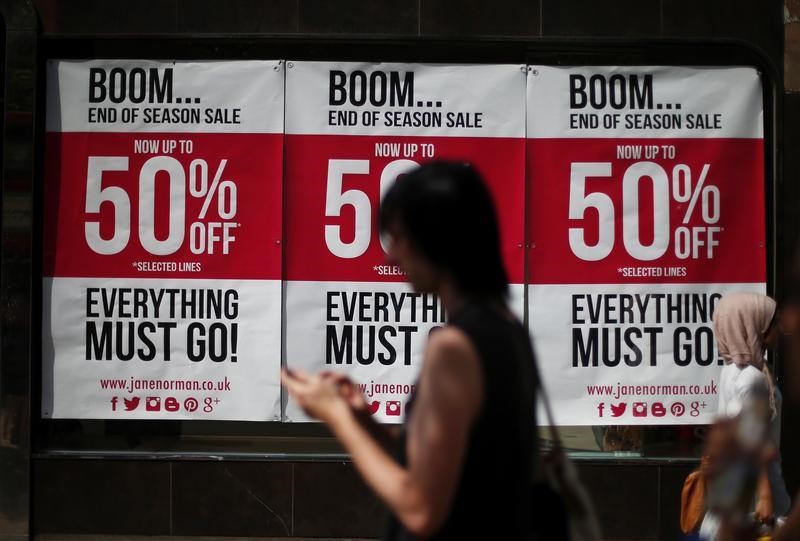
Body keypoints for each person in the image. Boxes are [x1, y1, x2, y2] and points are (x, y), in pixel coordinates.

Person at [281, 161, 538, 540]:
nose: (391, 258)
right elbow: (446, 468)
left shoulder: (452, 347)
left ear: (437, 240)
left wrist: (336, 416)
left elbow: (420, 508)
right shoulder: (507, 329)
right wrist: (364, 422)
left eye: (400, 239)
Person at [699, 293, 790, 540]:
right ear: (754, 326)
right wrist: (765, 496)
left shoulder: (732, 371)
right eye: (774, 323)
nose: (780, 330)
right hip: (756, 494)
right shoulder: (752, 378)